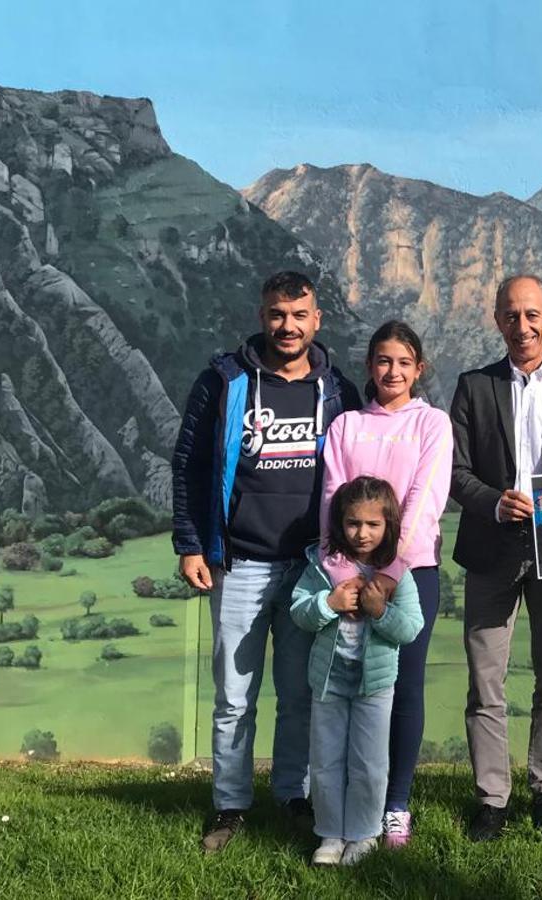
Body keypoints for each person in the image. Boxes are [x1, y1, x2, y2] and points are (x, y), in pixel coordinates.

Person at [171, 270, 361, 853]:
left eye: (299, 315)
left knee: (302, 693)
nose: (288, 326)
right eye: (278, 314)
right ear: (262, 315)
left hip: (310, 568)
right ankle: (230, 806)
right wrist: (191, 543)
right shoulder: (223, 382)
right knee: (234, 695)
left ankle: (292, 795)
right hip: (240, 563)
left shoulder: (337, 390)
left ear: (316, 320)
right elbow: (187, 463)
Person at [449, 274, 542, 840]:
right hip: (492, 551)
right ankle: (491, 799)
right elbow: (455, 472)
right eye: (512, 316)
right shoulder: (472, 386)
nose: (523, 326)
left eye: (532, 315)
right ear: (497, 320)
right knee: (485, 683)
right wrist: (494, 503)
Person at [318, 320, 453, 848]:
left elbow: (425, 497)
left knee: (402, 689)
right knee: (348, 690)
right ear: (369, 366)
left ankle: (395, 803)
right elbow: (332, 499)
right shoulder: (346, 425)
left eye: (403, 362)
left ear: (418, 369)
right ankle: (347, 803)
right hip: (347, 580)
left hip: (411, 575)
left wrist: (390, 576)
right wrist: (345, 578)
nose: (392, 371)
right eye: (382, 361)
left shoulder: (433, 424)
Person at [291, 476, 424, 866]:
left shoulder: (399, 573)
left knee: (369, 761)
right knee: (327, 759)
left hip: (375, 685)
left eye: (373, 524)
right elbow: (300, 612)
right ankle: (330, 834)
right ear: (339, 523)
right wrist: (328, 602)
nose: (362, 533)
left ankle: (364, 834)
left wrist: (380, 611)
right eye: (353, 523)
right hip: (328, 681)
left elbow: (410, 628)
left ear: (388, 526)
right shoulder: (321, 565)